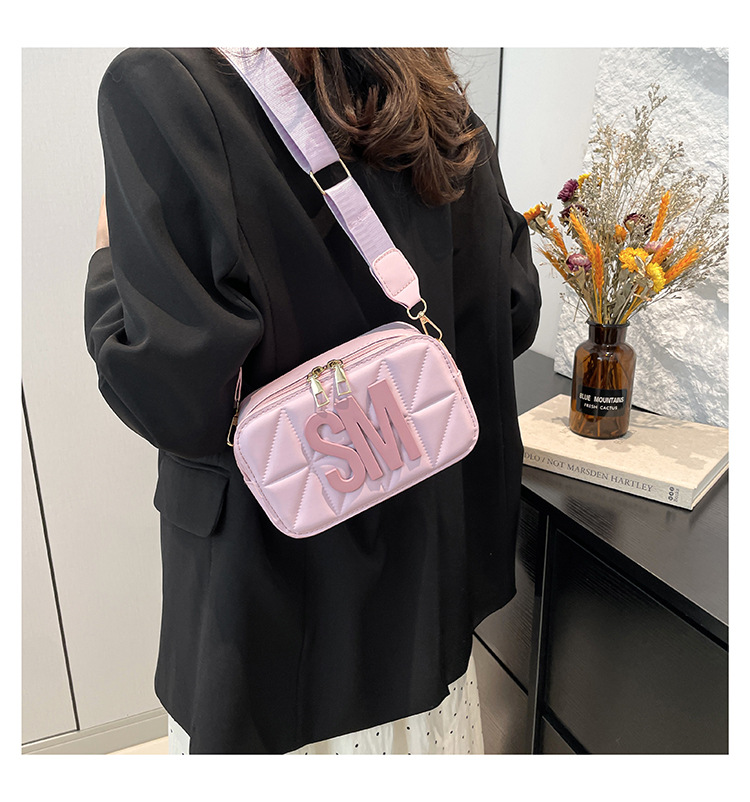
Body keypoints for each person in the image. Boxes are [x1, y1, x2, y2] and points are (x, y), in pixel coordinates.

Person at [85, 47, 541, 755]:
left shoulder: (162, 83)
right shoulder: (426, 85)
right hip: (430, 591)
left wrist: (108, 260)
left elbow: (173, 398)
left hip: (278, 627)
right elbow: (511, 312)